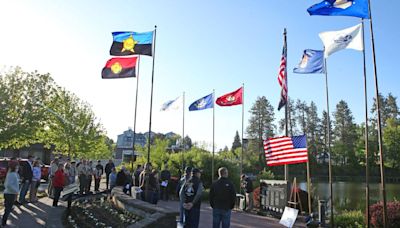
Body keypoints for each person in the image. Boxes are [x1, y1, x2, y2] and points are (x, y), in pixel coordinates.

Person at [2, 161, 20, 226]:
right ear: (14, 166)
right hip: (10, 194)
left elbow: (6, 184)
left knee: (8, 208)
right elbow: (8, 185)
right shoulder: (12, 174)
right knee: (8, 209)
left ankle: (4, 221)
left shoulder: (12, 173)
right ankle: (3, 222)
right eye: (17, 166)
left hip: (10, 193)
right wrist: (16, 191)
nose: (18, 167)